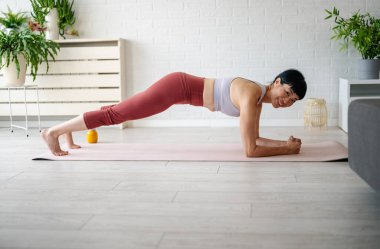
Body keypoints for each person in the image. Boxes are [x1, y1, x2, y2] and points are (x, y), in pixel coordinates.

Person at [41, 69, 307, 157]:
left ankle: (67, 134)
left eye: (292, 101)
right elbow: (250, 150)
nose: (286, 101)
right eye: (287, 93)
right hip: (175, 88)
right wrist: (286, 150)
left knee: (117, 112)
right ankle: (53, 132)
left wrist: (285, 143)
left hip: (178, 91)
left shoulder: (258, 100)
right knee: (118, 114)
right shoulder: (252, 96)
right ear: (276, 82)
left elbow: (257, 139)